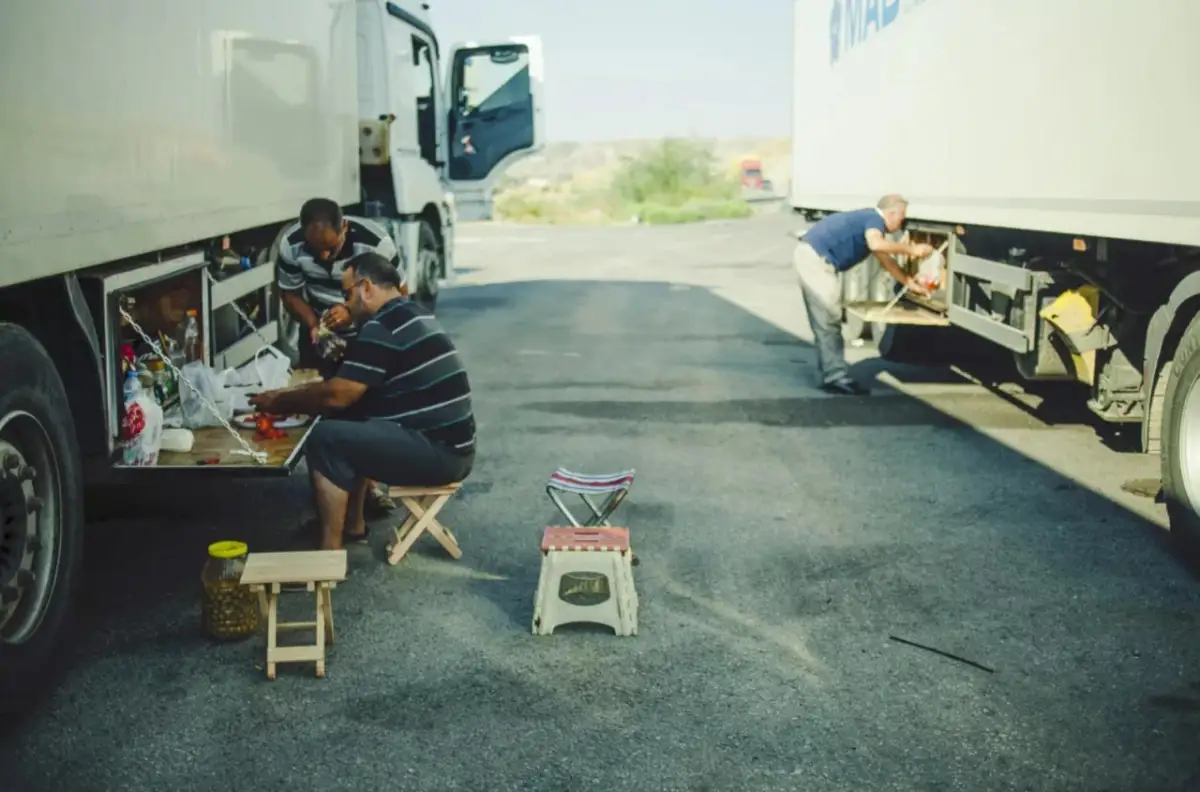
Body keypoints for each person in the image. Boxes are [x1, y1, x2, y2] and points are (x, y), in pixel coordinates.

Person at [250, 251, 475, 551]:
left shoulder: (381, 326)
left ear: (366, 288)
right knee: (352, 419)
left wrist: (281, 401)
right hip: (451, 448)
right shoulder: (410, 313)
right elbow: (355, 390)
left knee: (325, 438)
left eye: (347, 294)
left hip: (441, 454)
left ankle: (328, 552)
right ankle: (353, 526)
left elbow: (338, 394)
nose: (344, 304)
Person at [276, 197, 406, 515]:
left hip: (368, 331)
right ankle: (328, 493)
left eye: (330, 249)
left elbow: (399, 297)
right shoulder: (290, 246)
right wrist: (312, 323)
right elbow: (289, 293)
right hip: (320, 333)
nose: (323, 256)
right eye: (315, 249)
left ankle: (369, 489)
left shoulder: (376, 244)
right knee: (318, 409)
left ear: (344, 228)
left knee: (366, 409)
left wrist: (352, 314)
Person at [793, 194, 935, 396]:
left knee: (826, 319)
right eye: (902, 217)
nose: (903, 222)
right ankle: (835, 377)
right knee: (828, 318)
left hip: (812, 255)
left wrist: (909, 283)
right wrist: (912, 249)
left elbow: (886, 260)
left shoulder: (869, 222)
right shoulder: (874, 219)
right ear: (891, 212)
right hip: (815, 259)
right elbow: (877, 245)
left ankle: (831, 372)